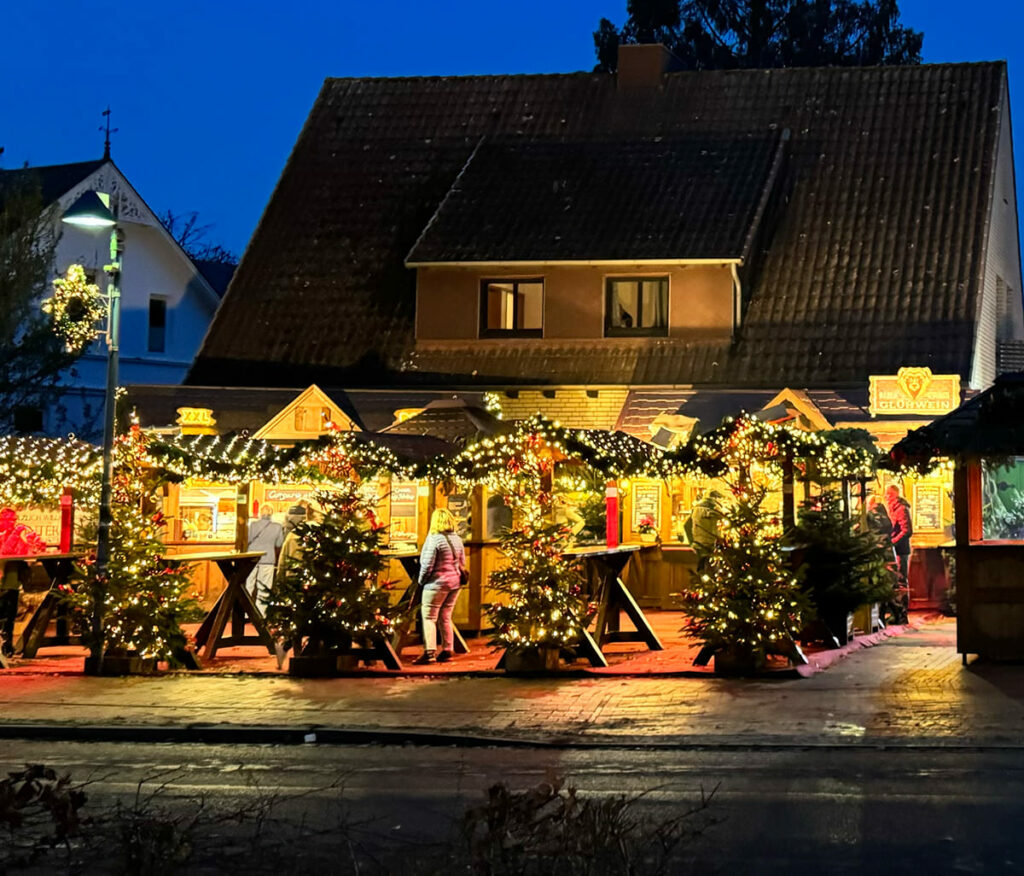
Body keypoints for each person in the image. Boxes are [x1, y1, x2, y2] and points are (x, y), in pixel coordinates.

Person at [415, 508, 466, 665]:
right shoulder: (457, 539)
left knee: (429, 617)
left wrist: (421, 581)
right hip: (455, 583)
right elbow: (462, 562)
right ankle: (447, 649)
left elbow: (427, 565)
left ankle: (429, 652)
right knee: (445, 615)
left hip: (436, 584)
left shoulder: (434, 539)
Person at [246, 505, 283, 610]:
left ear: (260, 513)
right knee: (264, 588)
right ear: (272, 513)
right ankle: (260, 613)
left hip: (251, 558)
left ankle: (245, 612)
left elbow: (247, 539)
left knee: (249, 585)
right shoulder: (277, 526)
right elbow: (279, 543)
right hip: (268, 559)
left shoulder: (252, 525)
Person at [886, 485, 914, 586]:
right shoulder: (894, 509)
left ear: (894, 495)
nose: (887, 498)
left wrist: (893, 542)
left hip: (901, 550)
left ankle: (904, 600)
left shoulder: (901, 509)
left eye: (888, 495)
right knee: (898, 578)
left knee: (901, 578)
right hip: (897, 549)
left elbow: (907, 531)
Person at [688, 490, 724, 565]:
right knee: (709, 568)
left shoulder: (697, 508)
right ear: (715, 498)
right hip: (708, 543)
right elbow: (722, 515)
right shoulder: (709, 508)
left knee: (701, 568)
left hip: (698, 542)